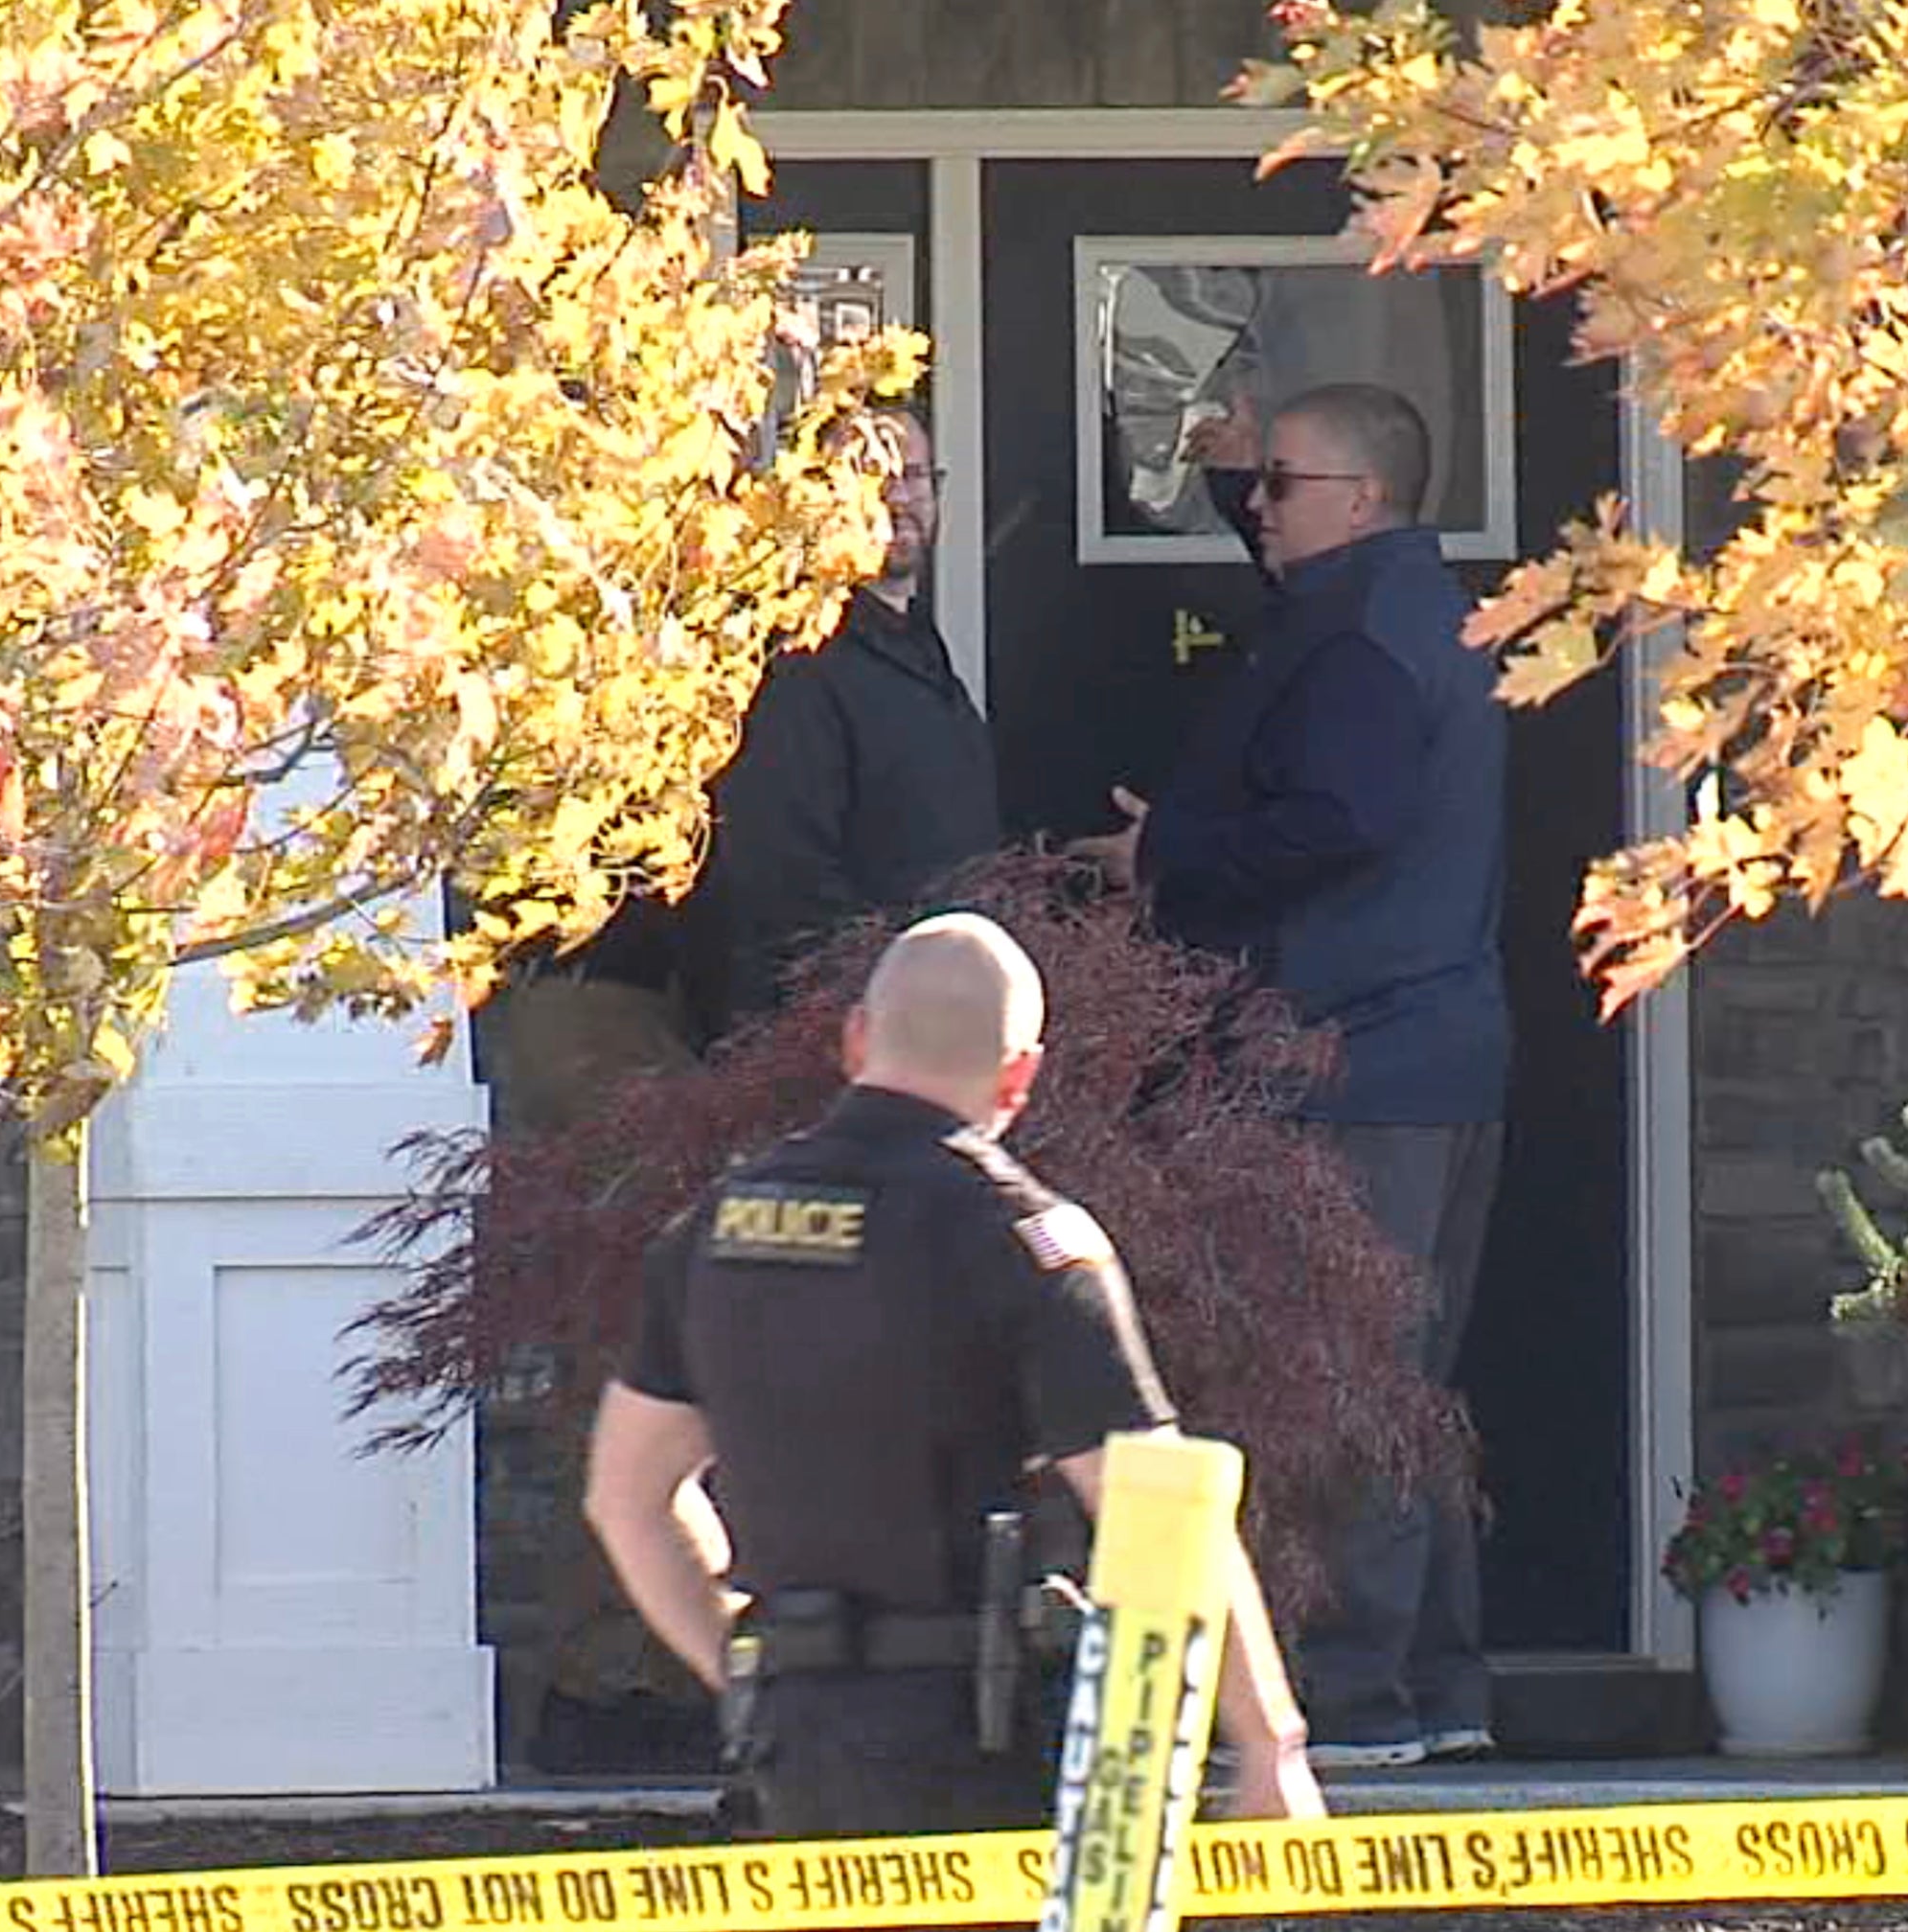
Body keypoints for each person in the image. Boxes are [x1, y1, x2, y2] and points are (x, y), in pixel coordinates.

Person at [585, 913, 1324, 1834]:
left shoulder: (712, 1230)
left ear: (855, 1037)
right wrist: (1268, 1746)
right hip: (975, 1750)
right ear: (1023, 1072)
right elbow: (1157, 1510)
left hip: (791, 1748)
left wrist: (746, 1670)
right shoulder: (1018, 1236)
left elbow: (626, 1497)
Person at [1073, 383, 1509, 1770]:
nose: (1252, 505)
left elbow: (1340, 818)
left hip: (1351, 1052)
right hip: (1423, 1048)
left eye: (1275, 484)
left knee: (1343, 1378)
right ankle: (1439, 1690)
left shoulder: (1362, 639)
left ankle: (1357, 1699)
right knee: (1406, 1386)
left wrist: (1166, 859)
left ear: (1362, 500)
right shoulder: (1396, 612)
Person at [679, 409, 1000, 1045]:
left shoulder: (915, 647)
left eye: (912, 475)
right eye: (870, 477)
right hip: (840, 1041)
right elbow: (783, 878)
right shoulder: (796, 661)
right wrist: (870, 1008)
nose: (898, 497)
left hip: (934, 1023)